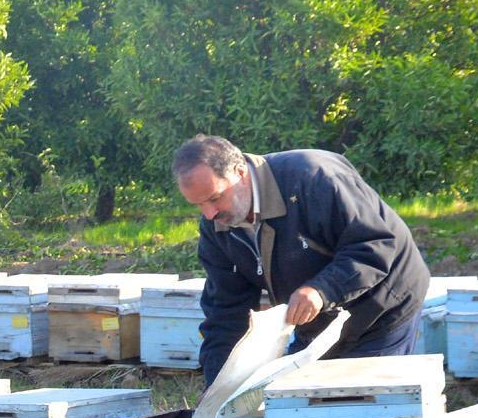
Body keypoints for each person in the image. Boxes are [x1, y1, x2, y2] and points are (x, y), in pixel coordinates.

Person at [173, 134, 429, 387]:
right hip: (318, 322)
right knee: (305, 404)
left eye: (215, 198)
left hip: (383, 304)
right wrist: (217, 387)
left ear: (240, 172)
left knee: (360, 404)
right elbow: (225, 312)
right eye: (199, 205)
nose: (210, 213)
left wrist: (322, 290)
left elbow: (375, 244)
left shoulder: (314, 177)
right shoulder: (215, 227)